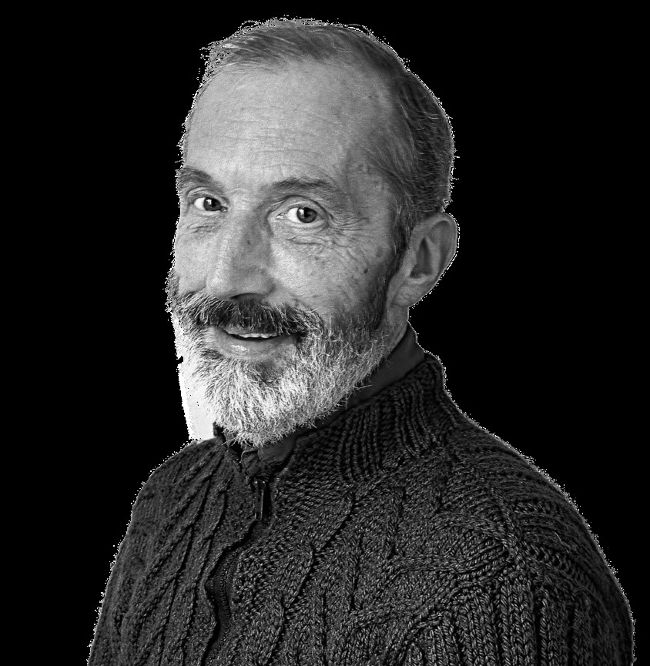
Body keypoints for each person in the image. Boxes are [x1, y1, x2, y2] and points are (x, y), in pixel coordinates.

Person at [88, 18, 634, 666]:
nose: (227, 276)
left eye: (302, 215)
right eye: (208, 203)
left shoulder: (505, 578)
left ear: (419, 261)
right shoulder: (173, 498)